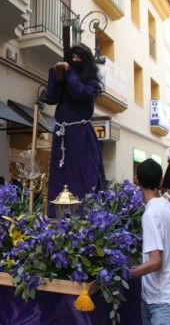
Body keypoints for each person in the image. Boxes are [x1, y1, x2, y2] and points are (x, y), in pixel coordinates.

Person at [45, 42, 105, 217]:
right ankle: (57, 211)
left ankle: (85, 212)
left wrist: (70, 73)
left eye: (79, 57)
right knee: (60, 174)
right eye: (71, 57)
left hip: (81, 134)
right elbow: (51, 96)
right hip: (62, 134)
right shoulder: (65, 80)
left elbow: (81, 94)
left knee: (83, 173)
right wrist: (56, 75)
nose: (74, 60)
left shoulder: (92, 83)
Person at [131, 159, 170, 325]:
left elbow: (155, 262)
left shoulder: (151, 214)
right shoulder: (166, 205)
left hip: (163, 299)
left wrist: (127, 273)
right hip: (162, 295)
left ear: (137, 181)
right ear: (161, 181)